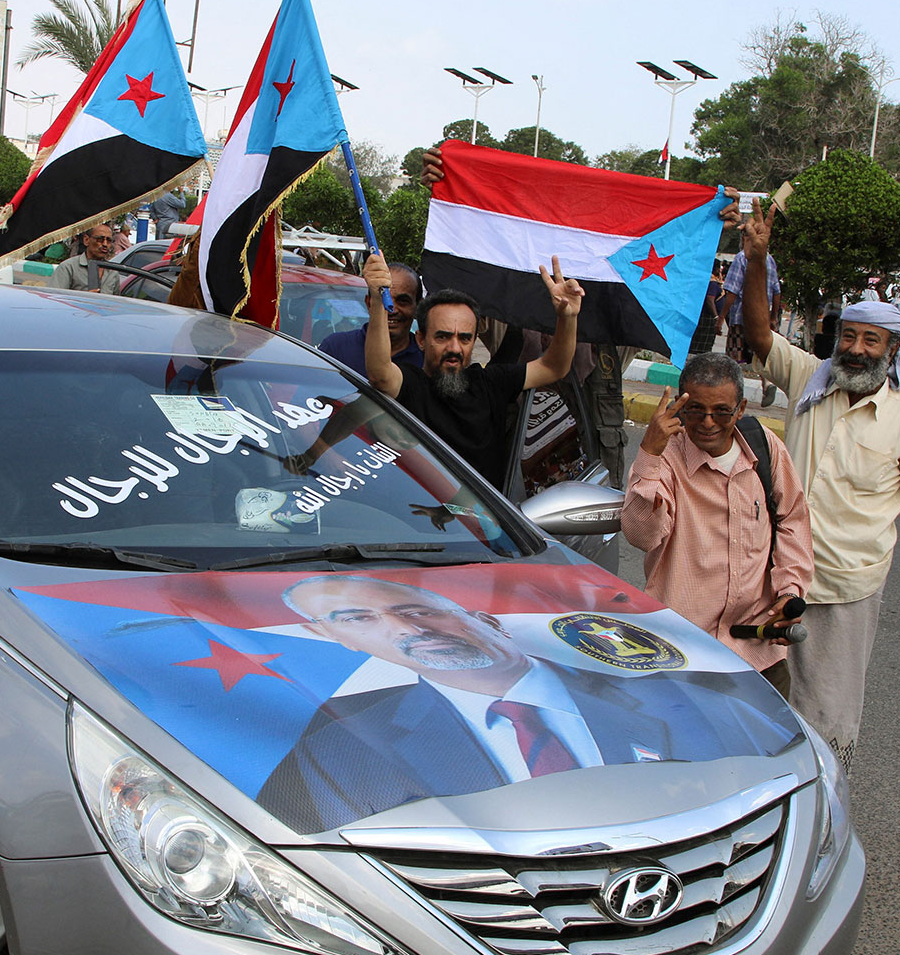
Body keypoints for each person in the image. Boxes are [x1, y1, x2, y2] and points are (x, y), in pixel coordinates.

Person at [255, 575, 800, 833]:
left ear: (482, 617)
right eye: (356, 620)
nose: (405, 628)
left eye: (419, 610)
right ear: (334, 639)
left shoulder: (674, 689)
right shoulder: (343, 753)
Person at [737, 203, 900, 774]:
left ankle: (821, 816)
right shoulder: (812, 379)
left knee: (827, 715)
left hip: (844, 588)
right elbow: (758, 334)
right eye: (849, 336)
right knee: (756, 699)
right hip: (769, 575)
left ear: (892, 350)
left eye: (871, 341)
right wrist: (757, 260)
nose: (856, 348)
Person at [623, 353, 813, 694]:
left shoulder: (765, 448)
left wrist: (789, 591)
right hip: (682, 654)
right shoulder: (664, 458)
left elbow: (792, 521)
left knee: (769, 746)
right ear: (680, 407)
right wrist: (649, 452)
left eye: (721, 411)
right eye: (695, 409)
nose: (708, 422)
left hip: (757, 652)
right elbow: (640, 535)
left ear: (740, 410)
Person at [361, 250, 582, 487]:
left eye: (464, 338)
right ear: (421, 340)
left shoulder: (490, 382)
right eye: (443, 337)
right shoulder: (411, 384)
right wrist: (377, 302)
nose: (454, 348)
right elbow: (380, 373)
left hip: (483, 518)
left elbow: (553, 367)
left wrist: (567, 318)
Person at [316, 261, 423, 372]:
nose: (392, 310)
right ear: (368, 303)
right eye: (383, 300)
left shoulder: (427, 357)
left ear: (418, 306)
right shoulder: (336, 349)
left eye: (403, 301)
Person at [718, 247, 781, 406]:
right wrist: (773, 316)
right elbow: (776, 291)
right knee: (759, 354)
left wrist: (721, 317)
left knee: (734, 358)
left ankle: (733, 393)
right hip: (761, 318)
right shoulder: (769, 259)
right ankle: (767, 383)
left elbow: (732, 291)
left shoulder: (741, 258)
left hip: (741, 316)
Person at [46, 224, 121, 293]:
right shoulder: (68, 267)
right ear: (86, 240)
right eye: (100, 239)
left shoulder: (112, 272)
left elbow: (116, 303)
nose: (105, 244)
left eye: (109, 240)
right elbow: (54, 298)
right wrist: (84, 299)